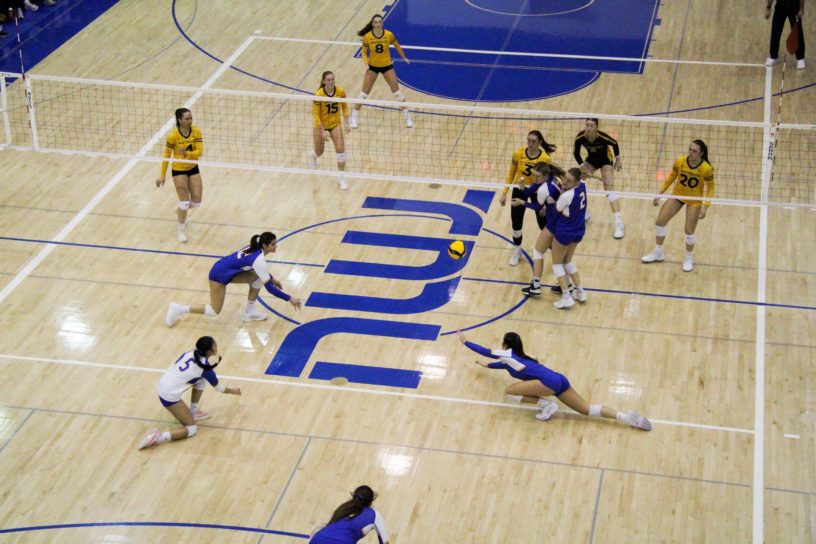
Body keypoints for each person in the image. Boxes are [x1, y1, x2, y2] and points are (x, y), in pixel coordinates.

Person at [457, 330, 652, 430]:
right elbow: (503, 365)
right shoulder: (518, 358)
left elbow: (485, 351)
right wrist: (486, 366)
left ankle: (546, 406)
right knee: (585, 409)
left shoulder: (506, 353)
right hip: (559, 379)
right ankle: (626, 417)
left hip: (548, 384)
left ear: (506, 344)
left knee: (510, 391)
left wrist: (465, 342)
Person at [165, 232, 303, 326]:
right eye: (273, 244)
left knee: (257, 278)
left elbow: (258, 271)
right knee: (214, 310)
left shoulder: (254, 248)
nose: (276, 246)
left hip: (228, 270)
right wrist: (290, 299)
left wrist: (271, 278)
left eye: (275, 243)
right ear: (265, 246)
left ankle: (249, 312)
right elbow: (270, 290)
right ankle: (179, 309)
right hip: (218, 275)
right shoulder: (259, 259)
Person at [138, 336, 242, 450]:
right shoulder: (205, 370)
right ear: (209, 351)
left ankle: (194, 410)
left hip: (163, 383)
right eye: (215, 345)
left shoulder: (189, 353)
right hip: (169, 396)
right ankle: (158, 437)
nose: (217, 346)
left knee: (201, 380)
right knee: (192, 429)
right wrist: (234, 391)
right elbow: (219, 388)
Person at [641, 139, 714, 272]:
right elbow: (671, 177)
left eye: (694, 151)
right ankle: (658, 252)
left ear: (701, 153)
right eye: (690, 149)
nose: (690, 153)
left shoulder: (706, 169)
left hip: (694, 200)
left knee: (689, 231)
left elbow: (711, 189)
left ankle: (688, 257)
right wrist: (660, 193)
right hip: (677, 195)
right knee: (660, 222)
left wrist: (705, 206)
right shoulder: (680, 161)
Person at [523, 167, 588, 308]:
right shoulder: (583, 185)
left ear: (576, 180)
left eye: (569, 180)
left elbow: (556, 210)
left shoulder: (566, 196)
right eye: (565, 178)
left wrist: (543, 208)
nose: (565, 182)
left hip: (563, 230)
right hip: (579, 229)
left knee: (556, 263)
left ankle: (566, 296)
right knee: (567, 261)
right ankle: (581, 292)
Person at [502, 130, 556, 266]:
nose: (530, 144)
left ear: (539, 143)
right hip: (520, 189)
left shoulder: (545, 158)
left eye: (533, 141)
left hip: (538, 191)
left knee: (543, 224)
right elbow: (511, 173)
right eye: (528, 140)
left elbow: (550, 179)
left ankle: (556, 253)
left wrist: (545, 204)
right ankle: (517, 251)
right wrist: (504, 192)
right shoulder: (518, 154)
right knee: (516, 223)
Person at [514, 162, 569, 296]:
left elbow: (538, 207)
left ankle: (537, 286)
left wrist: (522, 202)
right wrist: (522, 188)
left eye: (537, 177)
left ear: (545, 175)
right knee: (557, 255)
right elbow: (530, 191)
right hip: (559, 219)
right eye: (534, 176)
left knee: (539, 252)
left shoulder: (545, 189)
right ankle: (564, 285)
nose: (535, 179)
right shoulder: (553, 178)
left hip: (554, 222)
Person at [349, 14, 412, 129]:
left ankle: (408, 117)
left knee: (397, 93)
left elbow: (397, 46)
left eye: (379, 22)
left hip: (387, 66)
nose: (378, 24)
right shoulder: (368, 37)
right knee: (363, 94)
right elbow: (363, 52)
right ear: (373, 24)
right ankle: (353, 117)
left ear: (382, 23)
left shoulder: (388, 35)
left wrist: (404, 57)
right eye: (376, 22)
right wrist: (366, 64)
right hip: (372, 67)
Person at [155, 108, 204, 243]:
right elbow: (166, 155)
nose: (190, 121)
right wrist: (162, 175)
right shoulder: (173, 136)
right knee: (184, 202)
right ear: (180, 120)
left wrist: (187, 154)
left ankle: (180, 210)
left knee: (197, 202)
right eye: (187, 119)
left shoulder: (196, 132)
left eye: (191, 118)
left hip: (193, 167)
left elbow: (200, 152)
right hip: (178, 170)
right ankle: (181, 230)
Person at [573, 118, 625, 239]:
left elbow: (615, 143)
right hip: (592, 160)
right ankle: (584, 213)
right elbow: (576, 153)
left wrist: (618, 160)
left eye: (592, 126)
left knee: (609, 190)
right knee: (577, 181)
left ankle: (619, 223)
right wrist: (582, 166)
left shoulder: (602, 137)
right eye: (587, 125)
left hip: (606, 160)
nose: (589, 128)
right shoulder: (580, 137)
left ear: (596, 127)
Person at [309, 71, 351, 190]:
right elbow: (316, 115)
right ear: (323, 81)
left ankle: (341, 179)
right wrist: (322, 131)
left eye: (332, 79)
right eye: (328, 80)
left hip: (335, 124)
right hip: (320, 125)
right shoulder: (318, 95)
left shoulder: (340, 91)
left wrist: (346, 122)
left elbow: (345, 106)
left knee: (341, 151)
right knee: (320, 152)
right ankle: (313, 156)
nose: (331, 81)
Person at [310, 485, 389, 544]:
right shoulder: (374, 515)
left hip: (317, 539)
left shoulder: (343, 508)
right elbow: (385, 542)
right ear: (371, 502)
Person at [766, 0, 806, 69]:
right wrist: (768, 8)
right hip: (780, 6)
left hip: (794, 5)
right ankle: (773, 56)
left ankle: (800, 58)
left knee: (797, 32)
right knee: (775, 30)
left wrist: (801, 9)